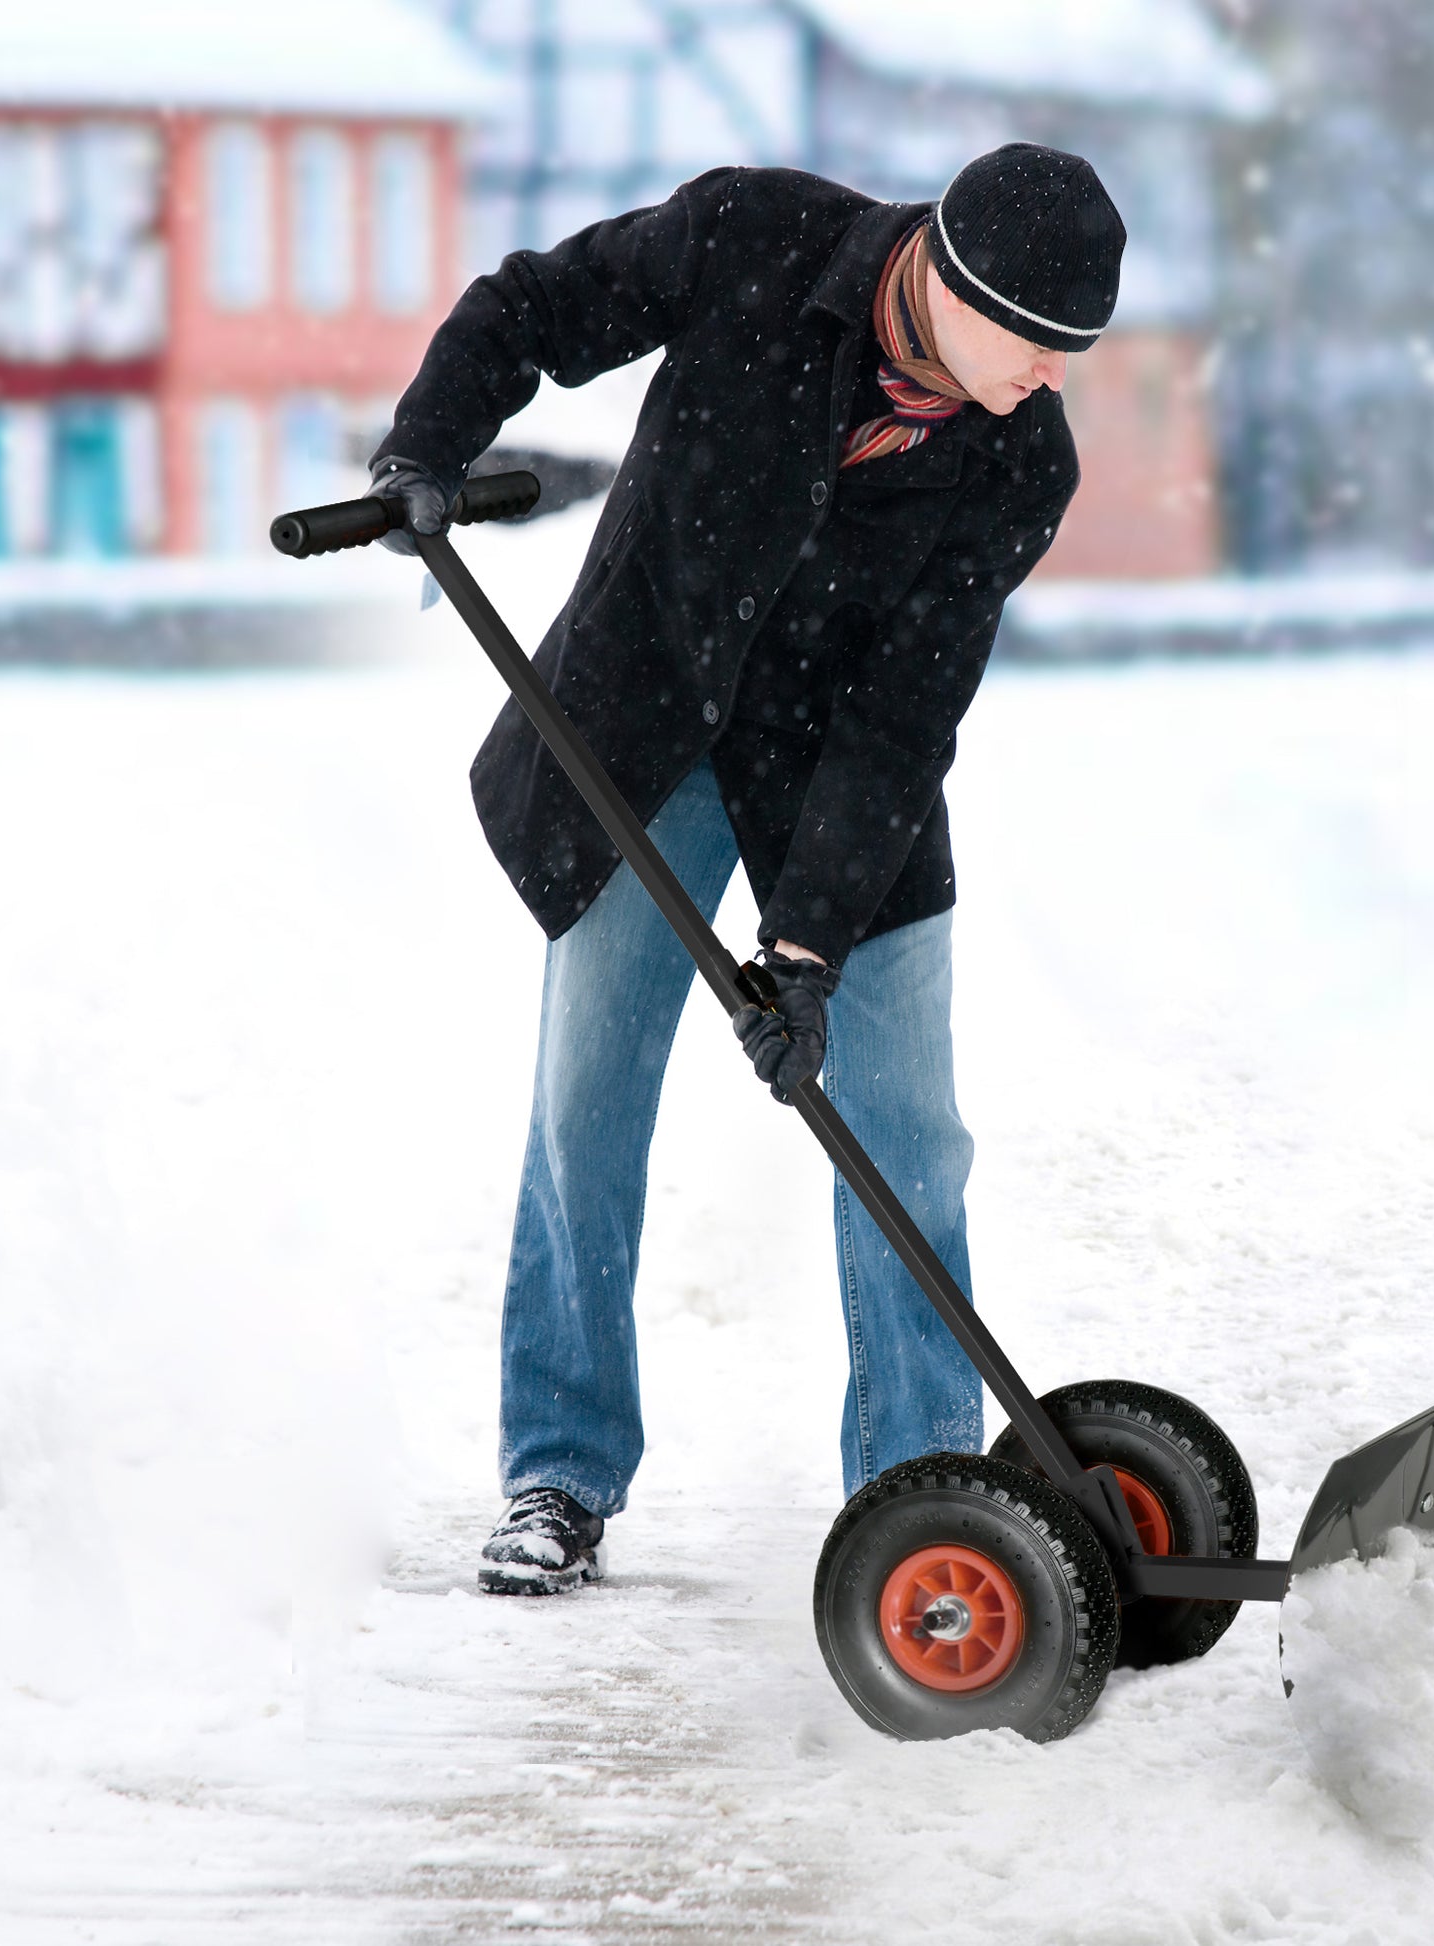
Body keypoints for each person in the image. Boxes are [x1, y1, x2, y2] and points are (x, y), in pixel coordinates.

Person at [369, 144, 1127, 1593]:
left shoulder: (1020, 457)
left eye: (1069, 351)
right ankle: (558, 1471)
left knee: (907, 1136)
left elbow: (907, 712)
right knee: (586, 1109)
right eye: (1031, 340)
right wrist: (428, 447)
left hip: (840, 793)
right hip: (643, 738)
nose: (1045, 373)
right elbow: (535, 307)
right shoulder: (753, 238)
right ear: (949, 284)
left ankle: (922, 1494)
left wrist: (807, 950)